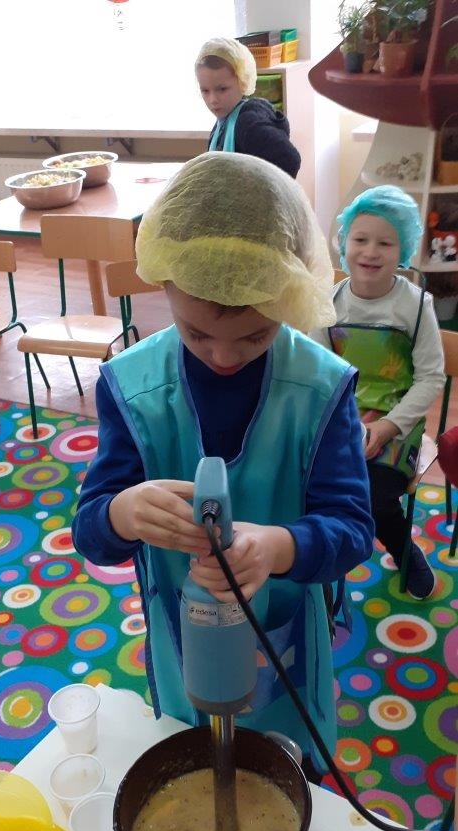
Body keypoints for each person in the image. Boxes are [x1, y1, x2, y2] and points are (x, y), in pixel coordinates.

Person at [72, 151, 373, 774]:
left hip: (288, 649)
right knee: (197, 765)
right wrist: (122, 513)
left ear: (291, 300)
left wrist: (278, 546)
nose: (225, 356)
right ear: (163, 286)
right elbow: (91, 533)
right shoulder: (132, 388)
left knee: (290, 772)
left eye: (256, 336)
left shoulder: (320, 389)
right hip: (183, 647)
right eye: (196, 333)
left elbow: (351, 529)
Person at [310, 185, 446, 600]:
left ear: (402, 248)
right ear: (343, 243)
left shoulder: (416, 306)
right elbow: (317, 374)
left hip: (397, 423)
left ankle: (404, 551)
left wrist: (387, 426)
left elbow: (431, 378)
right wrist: (343, 424)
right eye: (360, 239)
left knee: (371, 494)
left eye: (385, 243)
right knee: (307, 482)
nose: (370, 251)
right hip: (340, 417)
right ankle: (317, 557)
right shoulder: (328, 302)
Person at [195, 37, 301, 178]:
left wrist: (255, 189)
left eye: (222, 89)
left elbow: (289, 159)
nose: (213, 99)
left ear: (242, 81)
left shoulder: (248, 123)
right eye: (205, 91)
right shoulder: (224, 121)